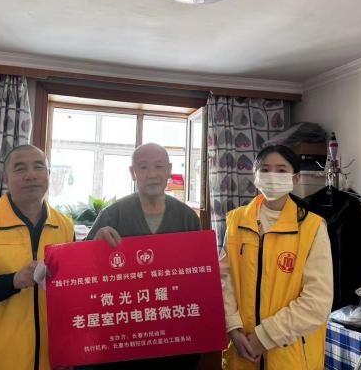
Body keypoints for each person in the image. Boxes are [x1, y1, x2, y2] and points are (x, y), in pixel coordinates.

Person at [0, 145, 74, 370]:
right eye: (20, 168)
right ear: (6, 178)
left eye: (39, 167)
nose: (31, 175)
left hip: (47, 360)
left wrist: (68, 349)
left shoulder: (65, 225)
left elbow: (70, 295)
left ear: (48, 174)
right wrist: (14, 281)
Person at [85, 142, 201, 370]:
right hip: (124, 332)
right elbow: (83, 269)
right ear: (133, 172)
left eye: (159, 166)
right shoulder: (112, 215)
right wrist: (95, 246)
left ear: (169, 170)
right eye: (144, 167)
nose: (152, 174)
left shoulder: (188, 217)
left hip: (174, 332)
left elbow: (200, 277)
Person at [220, 144, 333, 370]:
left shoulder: (312, 227)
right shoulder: (237, 221)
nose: (272, 176)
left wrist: (264, 337)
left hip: (291, 356)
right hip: (242, 349)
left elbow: (317, 302)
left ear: (296, 178)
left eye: (281, 170)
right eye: (265, 169)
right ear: (255, 176)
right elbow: (225, 279)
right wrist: (232, 328)